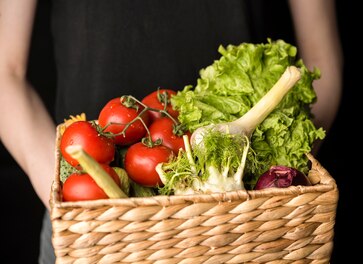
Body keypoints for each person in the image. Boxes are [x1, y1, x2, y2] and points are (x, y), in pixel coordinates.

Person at [0, 0, 342, 263]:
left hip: (250, 227)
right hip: (92, 230)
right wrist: (83, 205)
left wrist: (272, 180)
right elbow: (6, 73)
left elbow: (321, 63)